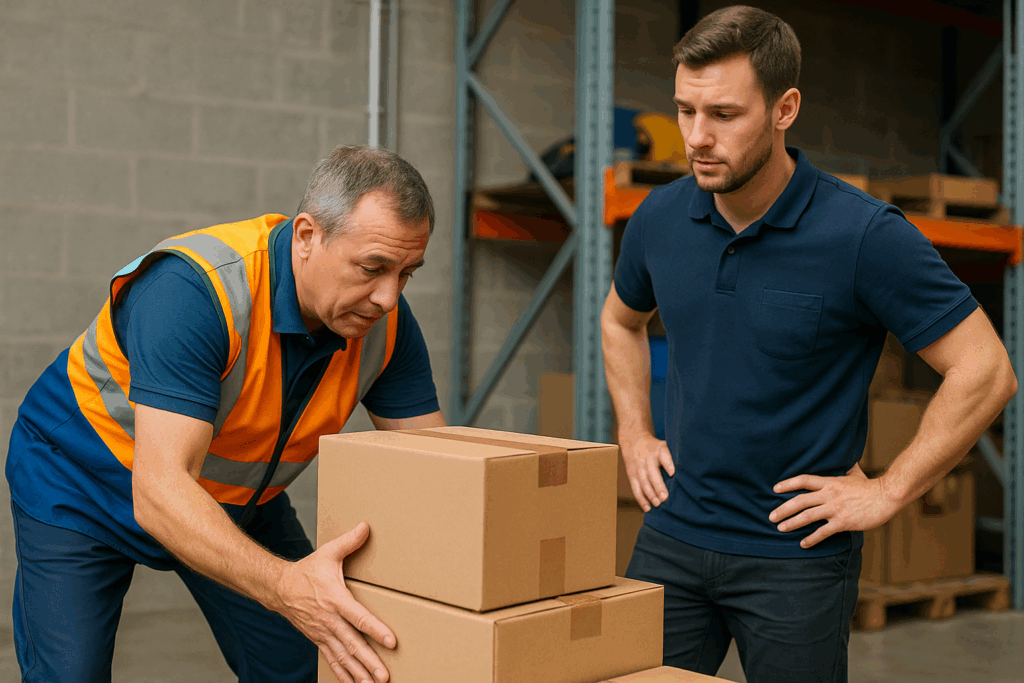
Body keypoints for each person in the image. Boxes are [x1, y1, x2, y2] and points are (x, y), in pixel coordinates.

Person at [602, 6, 1017, 683]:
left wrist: (887, 491)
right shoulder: (659, 218)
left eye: (725, 115)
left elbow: (986, 369)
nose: (697, 138)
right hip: (673, 538)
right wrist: (634, 434)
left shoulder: (863, 236)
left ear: (784, 108)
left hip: (795, 560)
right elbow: (620, 320)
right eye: (685, 110)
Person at [6, 145, 446, 683]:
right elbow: (161, 491)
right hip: (80, 483)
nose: (387, 297)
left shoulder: (385, 326)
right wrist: (286, 588)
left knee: (311, 664)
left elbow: (437, 474)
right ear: (307, 236)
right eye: (373, 268)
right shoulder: (195, 291)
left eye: (407, 274)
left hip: (233, 495)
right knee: (69, 674)